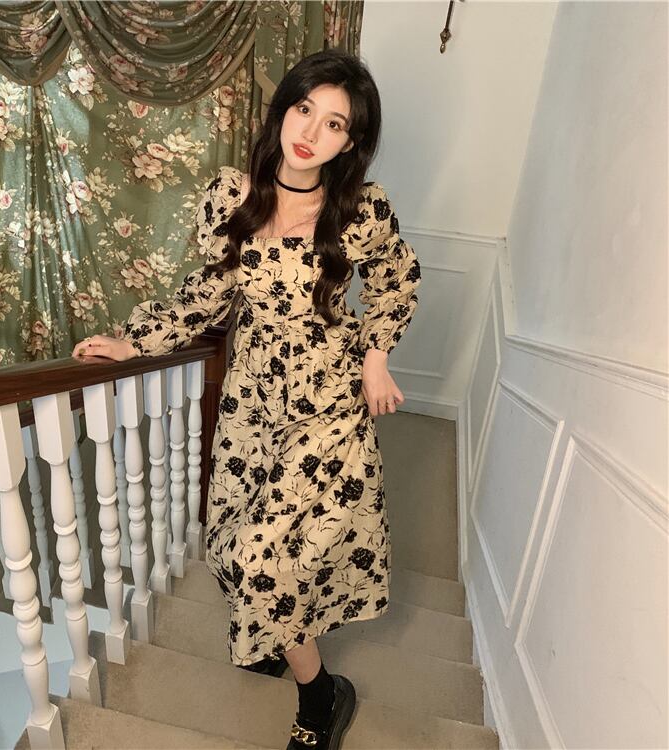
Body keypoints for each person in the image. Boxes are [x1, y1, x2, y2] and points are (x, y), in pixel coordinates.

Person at [72, 48, 421, 750]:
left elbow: (397, 279)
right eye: (304, 110)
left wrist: (376, 359)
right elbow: (209, 293)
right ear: (282, 109)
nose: (311, 132)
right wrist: (135, 341)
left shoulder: (360, 209)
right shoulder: (233, 197)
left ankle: (320, 695)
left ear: (349, 142)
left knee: (266, 561)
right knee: (233, 538)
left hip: (327, 405)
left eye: (334, 124)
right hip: (253, 402)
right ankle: (278, 634)